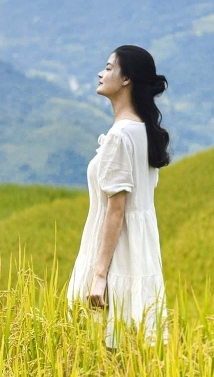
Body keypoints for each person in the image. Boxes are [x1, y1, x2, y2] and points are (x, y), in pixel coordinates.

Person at [67, 45, 170, 346]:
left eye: (109, 67)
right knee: (132, 349)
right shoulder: (143, 131)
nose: (101, 73)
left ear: (127, 80)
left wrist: (100, 275)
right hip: (140, 253)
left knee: (101, 348)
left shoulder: (119, 136)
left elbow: (116, 210)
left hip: (117, 255)